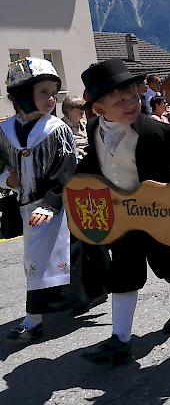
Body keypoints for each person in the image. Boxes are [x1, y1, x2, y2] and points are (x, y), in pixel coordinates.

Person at [77, 59, 170, 365]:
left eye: (133, 95)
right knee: (123, 273)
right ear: (99, 109)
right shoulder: (94, 129)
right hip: (122, 218)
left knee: (167, 261)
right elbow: (93, 162)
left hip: (157, 215)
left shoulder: (161, 134)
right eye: (119, 101)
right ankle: (120, 339)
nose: (130, 103)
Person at [0, 58, 109, 343]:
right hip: (24, 204)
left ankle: (33, 319)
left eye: (53, 93)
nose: (51, 99)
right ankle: (83, 296)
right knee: (45, 259)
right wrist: (5, 180)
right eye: (43, 93)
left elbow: (66, 172)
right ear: (23, 96)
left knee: (46, 259)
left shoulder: (56, 130)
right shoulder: (4, 132)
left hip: (54, 206)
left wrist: (51, 204)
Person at [61, 95, 89, 159]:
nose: (83, 109)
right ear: (68, 109)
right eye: (80, 106)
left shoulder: (87, 125)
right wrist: (80, 152)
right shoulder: (60, 128)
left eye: (84, 106)